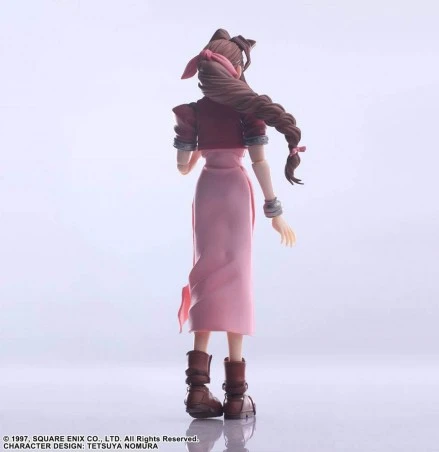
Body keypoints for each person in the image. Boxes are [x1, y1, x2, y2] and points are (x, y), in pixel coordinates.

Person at [172, 28, 307, 420]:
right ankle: (236, 396)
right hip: (235, 191)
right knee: (236, 279)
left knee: (204, 275)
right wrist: (275, 211)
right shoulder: (247, 110)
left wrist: (203, 150)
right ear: (235, 71)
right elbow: (260, 163)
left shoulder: (193, 112)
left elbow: (183, 168)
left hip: (207, 191)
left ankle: (198, 391)